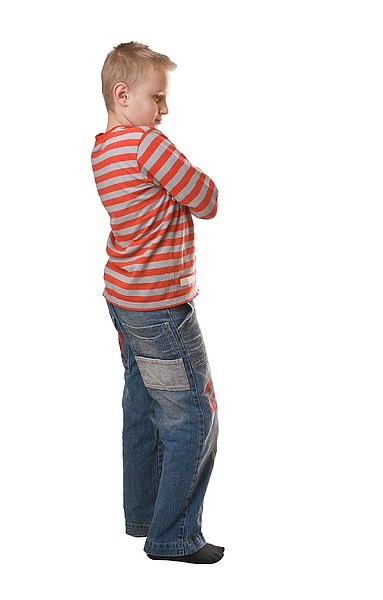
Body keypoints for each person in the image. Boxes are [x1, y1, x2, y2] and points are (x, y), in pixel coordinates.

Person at [90, 41, 224, 564]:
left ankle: (142, 514)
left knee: (143, 408)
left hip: (124, 300)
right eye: (157, 98)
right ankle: (171, 535)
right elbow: (208, 198)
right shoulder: (149, 146)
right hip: (162, 311)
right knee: (194, 414)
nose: (164, 111)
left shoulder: (102, 148)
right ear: (124, 95)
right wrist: (185, 184)